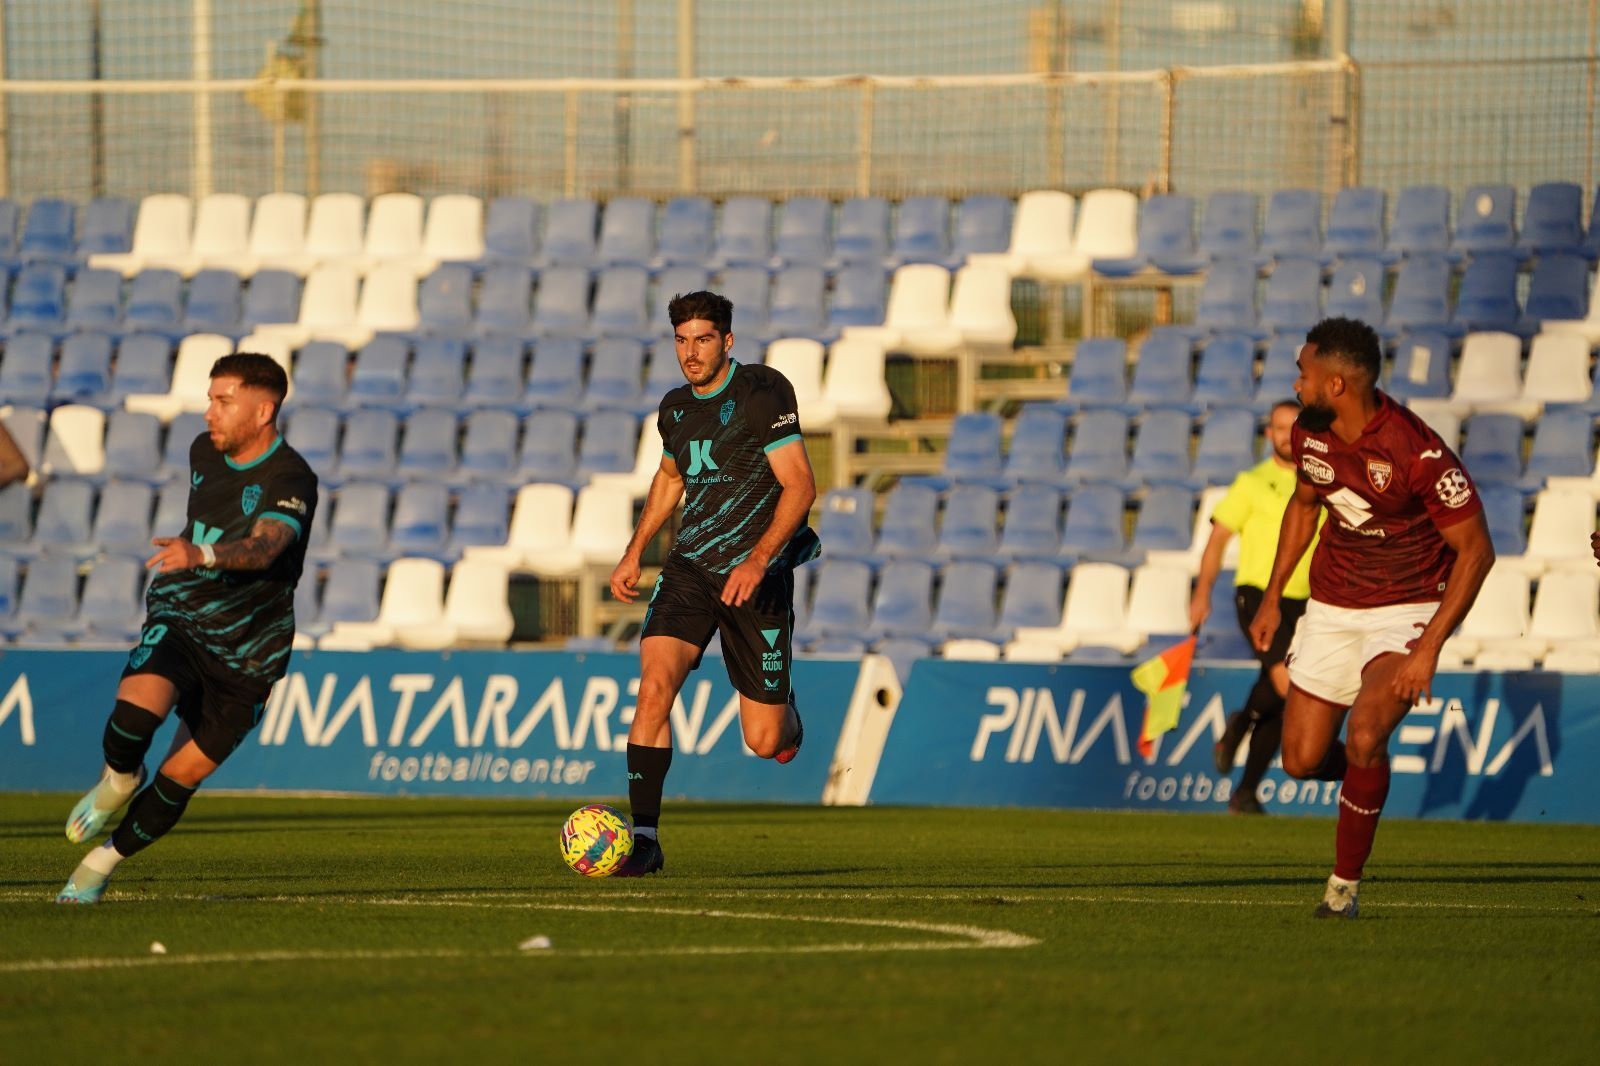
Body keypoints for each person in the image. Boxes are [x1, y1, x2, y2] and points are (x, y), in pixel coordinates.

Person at [1249, 317, 1494, 918]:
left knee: (1363, 735)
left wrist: (1428, 646)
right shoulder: (1310, 435)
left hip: (1406, 610)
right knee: (1301, 762)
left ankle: (1342, 891)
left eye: (1303, 372)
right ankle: (1366, 777)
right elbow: (1304, 509)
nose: (1295, 382)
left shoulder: (1417, 450)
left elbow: (1477, 551)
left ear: (1336, 384)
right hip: (1332, 606)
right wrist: (1273, 596)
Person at [57, 353, 319, 904]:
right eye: (210, 399)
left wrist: (198, 552)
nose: (209, 413)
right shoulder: (204, 450)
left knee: (182, 776)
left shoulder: (291, 477)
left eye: (223, 402)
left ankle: (100, 863)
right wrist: (192, 562)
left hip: (251, 651)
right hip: (185, 615)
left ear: (264, 410)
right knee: (132, 717)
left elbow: (267, 547)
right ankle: (120, 780)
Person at [608, 290, 819, 877]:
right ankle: (645, 839)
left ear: (727, 341)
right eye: (681, 340)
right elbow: (669, 478)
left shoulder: (762, 392)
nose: (691, 352)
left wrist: (756, 560)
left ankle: (787, 711)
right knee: (653, 688)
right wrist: (633, 553)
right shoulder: (675, 409)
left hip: (757, 579)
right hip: (690, 572)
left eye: (703, 339)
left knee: (765, 738)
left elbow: (800, 487)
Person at [1189, 399, 1320, 814]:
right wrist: (1202, 592)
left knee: (1279, 697)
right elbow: (1217, 542)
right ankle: (1241, 731)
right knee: (1289, 687)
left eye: (1292, 428)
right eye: (1279, 428)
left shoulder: (1320, 480)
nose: (1286, 436)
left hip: (1309, 600)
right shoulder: (1251, 481)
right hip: (1258, 598)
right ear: (1269, 434)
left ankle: (1245, 786)